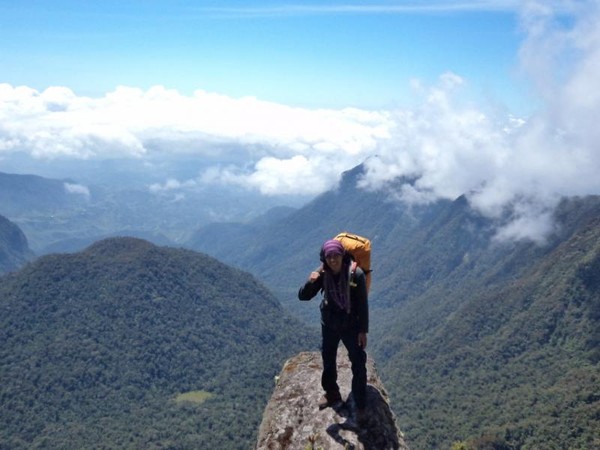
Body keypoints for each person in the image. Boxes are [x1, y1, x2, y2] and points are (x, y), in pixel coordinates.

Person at [298, 239, 369, 419]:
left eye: (336, 255)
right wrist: (310, 280)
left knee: (358, 362)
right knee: (328, 358)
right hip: (329, 324)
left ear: (342, 255)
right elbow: (303, 296)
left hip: (351, 325)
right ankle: (332, 393)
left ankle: (360, 403)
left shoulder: (356, 275)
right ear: (324, 258)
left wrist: (363, 331)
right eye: (328, 256)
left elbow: (362, 305)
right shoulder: (323, 274)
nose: (332, 260)